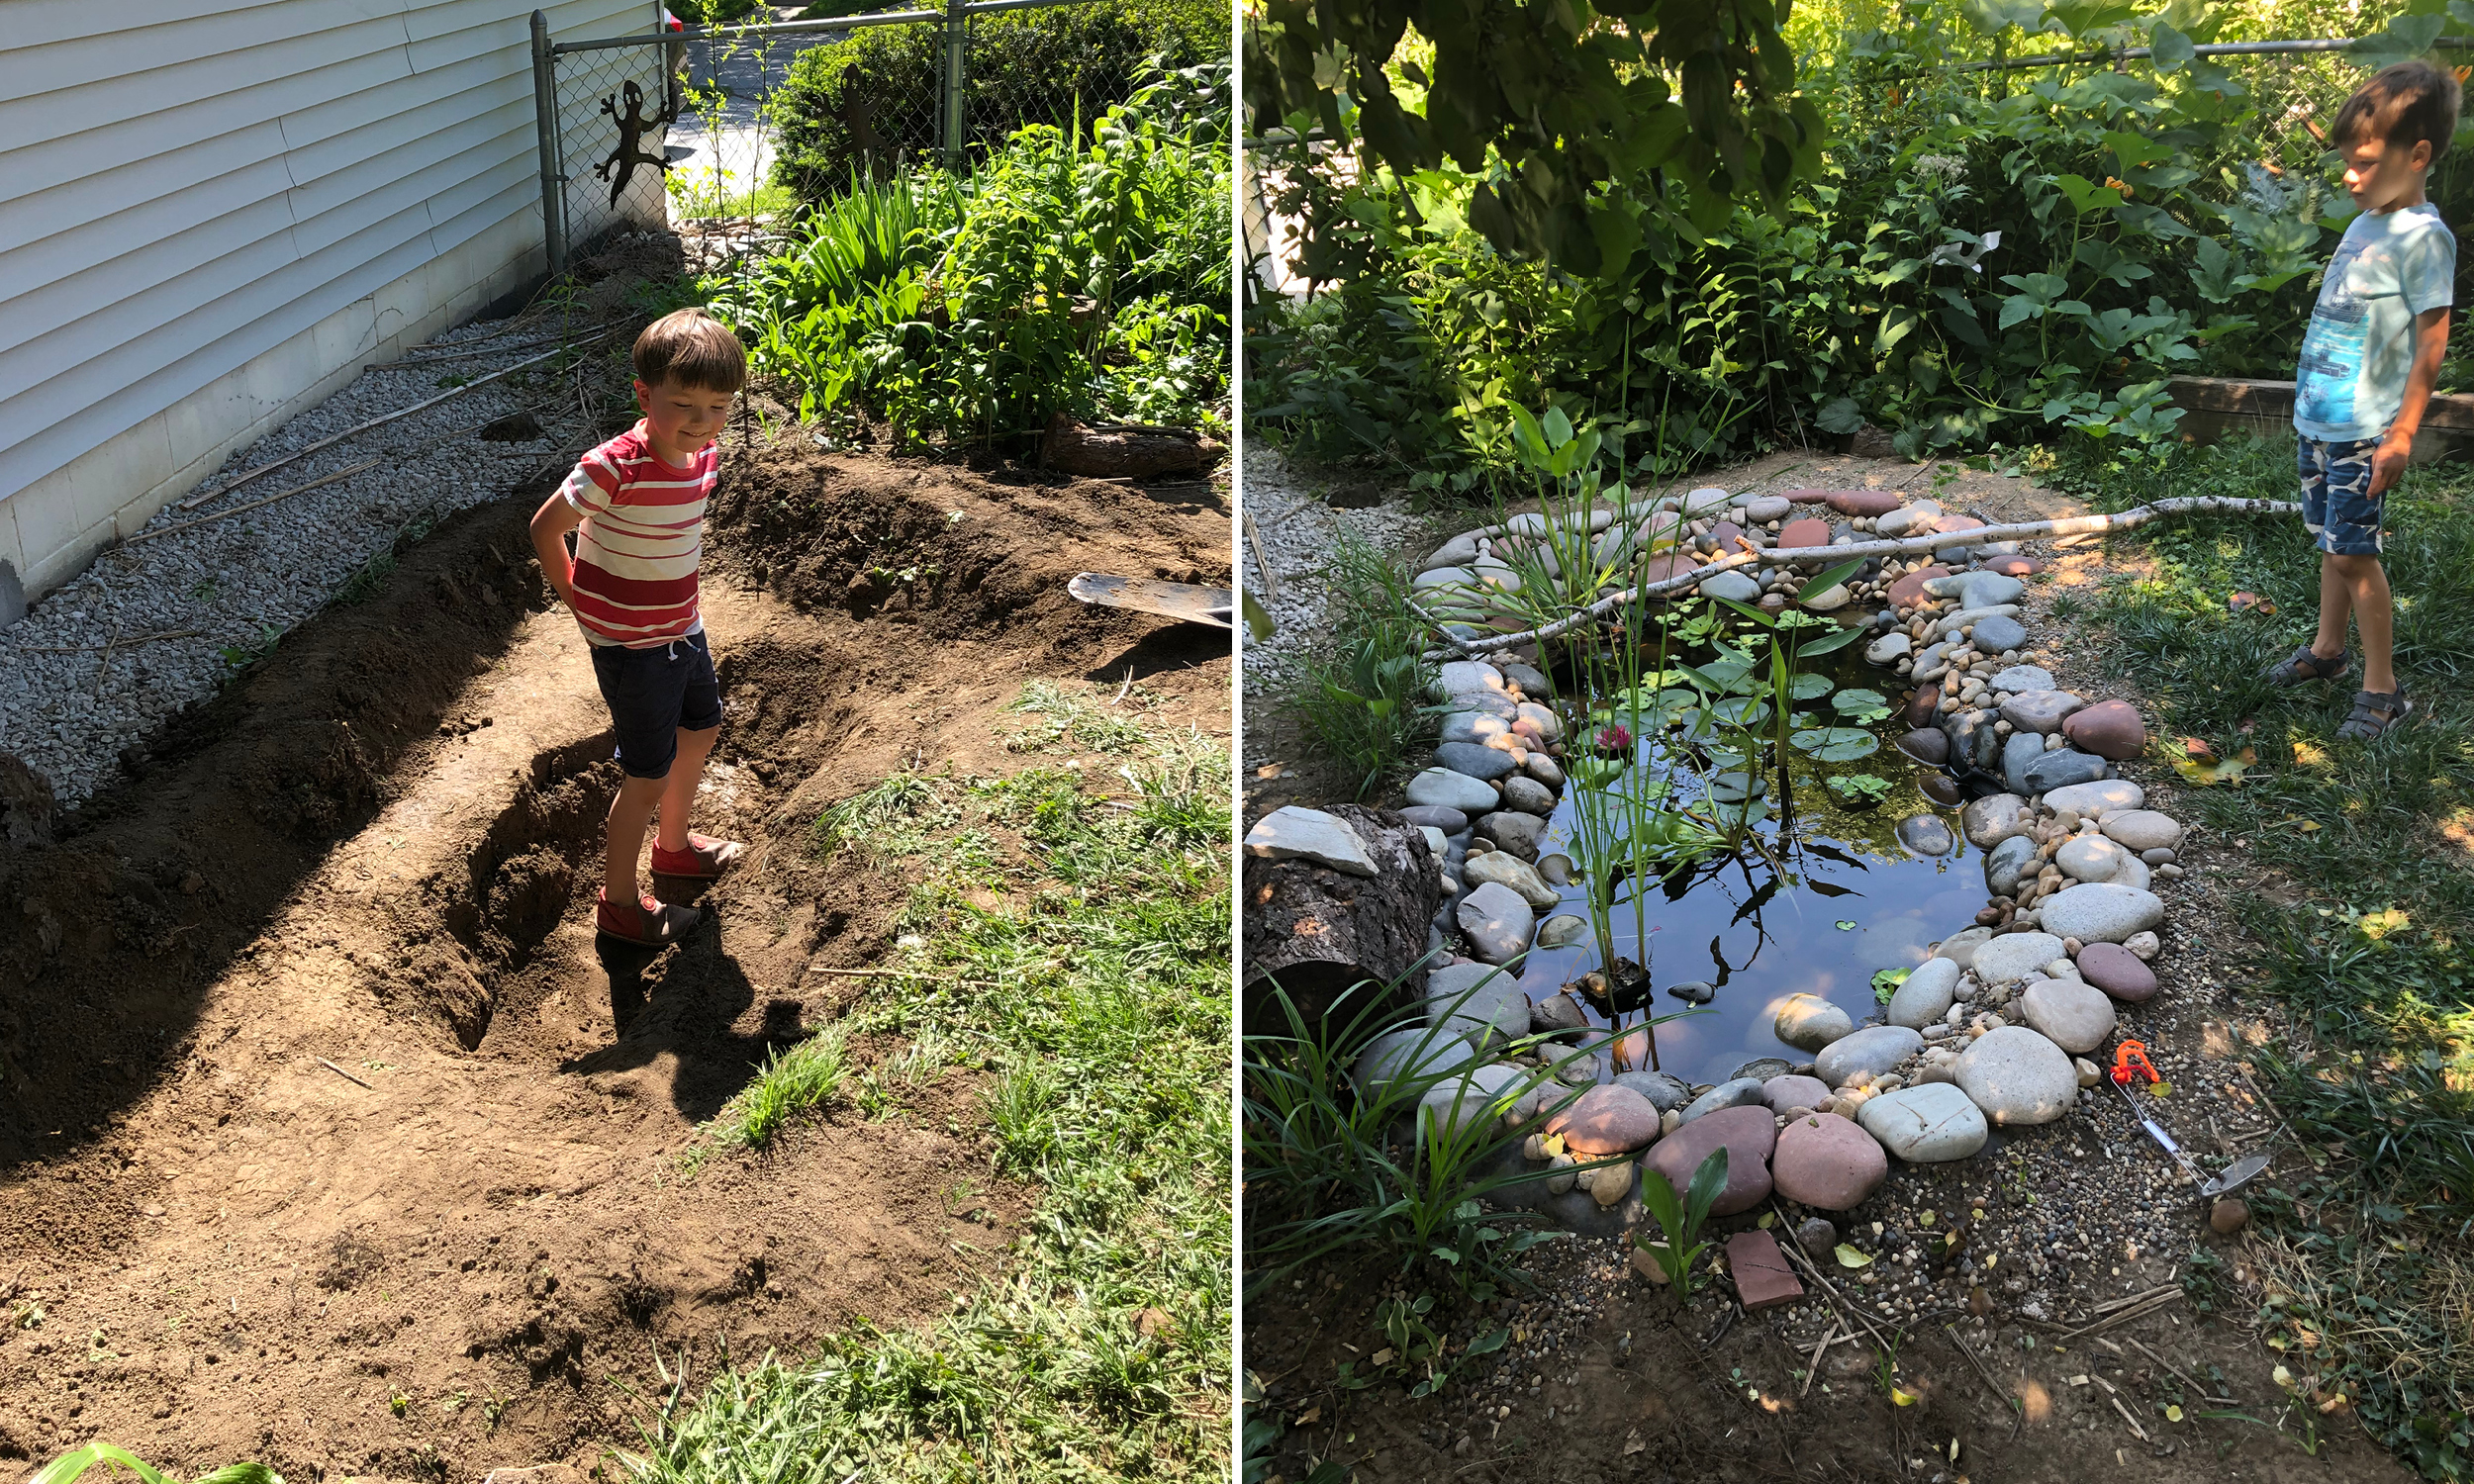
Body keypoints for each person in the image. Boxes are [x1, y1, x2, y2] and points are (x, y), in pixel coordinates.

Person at [530, 308, 748, 946]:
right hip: (630, 645)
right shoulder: (613, 466)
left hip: (683, 626)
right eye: (683, 404)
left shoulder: (704, 456)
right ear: (644, 395)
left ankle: (675, 847)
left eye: (718, 406)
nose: (702, 422)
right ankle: (620, 905)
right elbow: (546, 528)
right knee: (646, 774)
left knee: (701, 729)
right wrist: (576, 597)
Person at [2262, 60, 2458, 738]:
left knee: (2354, 552)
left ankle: (2383, 689)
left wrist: (2402, 433)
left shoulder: (2423, 237)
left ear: (2418, 154)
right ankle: (2328, 651)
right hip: (2320, 418)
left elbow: (2432, 340)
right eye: (2347, 161)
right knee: (2332, 542)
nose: (2350, 175)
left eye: (2365, 162)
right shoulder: (2368, 221)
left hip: (2365, 430)